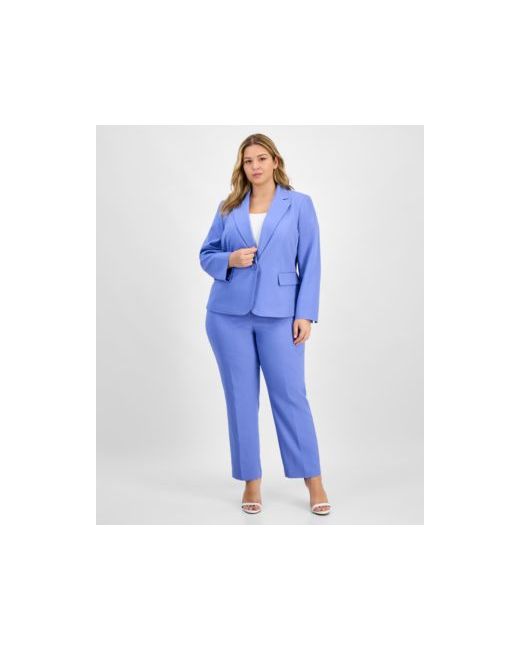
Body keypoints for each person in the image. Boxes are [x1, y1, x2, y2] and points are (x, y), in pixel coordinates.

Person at [199, 133, 331, 516]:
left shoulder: (299, 204)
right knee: (240, 400)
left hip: (281, 316)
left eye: (261, 158)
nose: (254, 166)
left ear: (275, 161)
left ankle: (314, 481)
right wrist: (230, 260)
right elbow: (206, 254)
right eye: (247, 160)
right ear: (241, 167)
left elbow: (312, 261)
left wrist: (304, 313)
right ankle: (251, 481)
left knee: (291, 396)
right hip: (228, 317)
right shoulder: (228, 207)